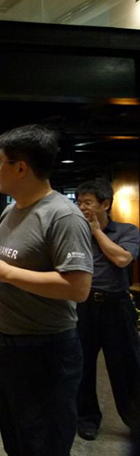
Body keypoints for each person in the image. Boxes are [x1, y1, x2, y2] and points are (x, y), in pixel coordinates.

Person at [0, 124, 93, 456]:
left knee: (43, 445)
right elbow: (11, 264)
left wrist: (6, 272)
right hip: (10, 349)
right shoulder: (11, 210)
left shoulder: (63, 217)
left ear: (21, 167)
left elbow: (78, 287)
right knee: (18, 441)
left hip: (47, 352)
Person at [75, 179, 140, 442]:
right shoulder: (76, 231)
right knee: (82, 365)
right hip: (83, 306)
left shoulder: (127, 230)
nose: (82, 207)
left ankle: (135, 420)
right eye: (79, 202)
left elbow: (122, 258)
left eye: (88, 202)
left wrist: (96, 231)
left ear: (105, 204)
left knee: (127, 365)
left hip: (116, 306)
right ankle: (87, 418)